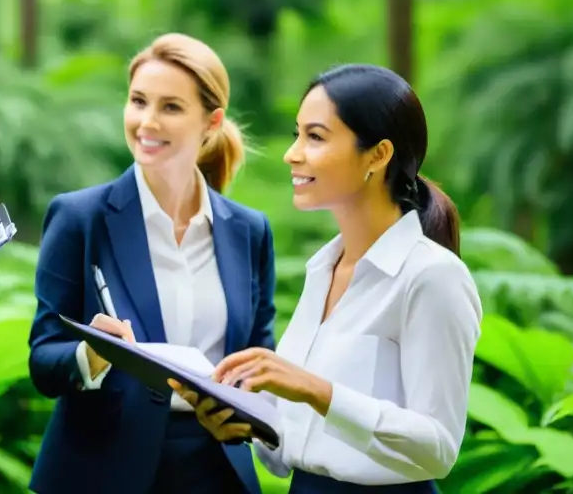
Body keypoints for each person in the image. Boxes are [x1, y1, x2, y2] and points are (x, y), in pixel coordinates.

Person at [170, 63, 482, 493]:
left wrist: (317, 390)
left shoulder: (431, 276)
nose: (292, 153)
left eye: (315, 137)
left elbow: (438, 448)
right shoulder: (324, 270)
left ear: (378, 155)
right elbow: (295, 441)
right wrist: (240, 422)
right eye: (297, 133)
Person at [27, 33, 277, 494]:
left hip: (215, 471)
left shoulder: (249, 231)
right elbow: (43, 361)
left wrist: (240, 409)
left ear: (212, 122)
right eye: (138, 101)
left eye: (171, 107)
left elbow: (258, 361)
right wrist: (93, 353)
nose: (147, 121)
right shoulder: (80, 217)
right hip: (101, 473)